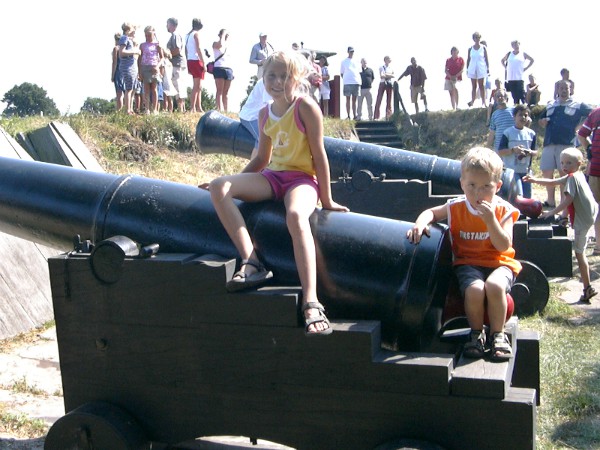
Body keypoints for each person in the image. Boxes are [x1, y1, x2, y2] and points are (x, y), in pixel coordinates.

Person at [208, 51, 349, 336]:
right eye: (271, 75)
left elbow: (319, 156)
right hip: (273, 177)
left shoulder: (305, 108)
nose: (277, 81)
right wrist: (231, 181)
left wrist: (327, 199)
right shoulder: (264, 114)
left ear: (295, 79)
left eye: (284, 76)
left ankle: (311, 300)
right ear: (263, 78)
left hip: (301, 180)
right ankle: (251, 260)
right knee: (218, 186)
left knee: (296, 216)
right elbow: (262, 158)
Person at [407, 147, 521, 361]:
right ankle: (476, 334)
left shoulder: (503, 211)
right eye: (472, 186)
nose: (478, 193)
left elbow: (503, 245)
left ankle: (498, 335)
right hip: (468, 264)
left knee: (495, 286)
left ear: (498, 186)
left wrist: (491, 222)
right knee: (475, 289)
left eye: (486, 186)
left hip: (500, 263)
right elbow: (431, 212)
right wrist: (421, 223)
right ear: (462, 184)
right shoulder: (456, 206)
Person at [524, 148, 598, 303]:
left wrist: (552, 213)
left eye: (569, 163)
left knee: (579, 253)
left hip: (582, 221)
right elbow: (553, 182)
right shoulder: (576, 175)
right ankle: (587, 286)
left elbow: (568, 200)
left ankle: (587, 287)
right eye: (562, 162)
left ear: (579, 163)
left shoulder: (572, 178)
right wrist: (534, 180)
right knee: (580, 251)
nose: (565, 165)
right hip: (590, 216)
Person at [538, 80, 593, 207]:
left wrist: (581, 125)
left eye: (566, 88)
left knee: (564, 174)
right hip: (549, 143)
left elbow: (592, 114)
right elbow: (541, 119)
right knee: (547, 172)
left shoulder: (578, 104)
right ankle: (550, 200)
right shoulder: (550, 104)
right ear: (557, 90)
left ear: (570, 90)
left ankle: (564, 204)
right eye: (561, 88)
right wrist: (542, 122)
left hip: (566, 144)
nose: (563, 90)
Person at [498, 104, 538, 198]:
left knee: (527, 197)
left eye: (526, 115)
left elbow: (535, 152)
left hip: (526, 171)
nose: (523, 117)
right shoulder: (507, 132)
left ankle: (525, 213)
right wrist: (513, 150)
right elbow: (501, 151)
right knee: (518, 195)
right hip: (512, 170)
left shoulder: (531, 133)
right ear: (514, 117)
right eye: (520, 115)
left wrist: (528, 152)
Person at [577, 107, 600, 255]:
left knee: (597, 208)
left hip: (596, 167)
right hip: (596, 168)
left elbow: (582, 135)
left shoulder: (596, 112)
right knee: (596, 208)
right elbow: (582, 134)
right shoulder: (596, 112)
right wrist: (590, 149)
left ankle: (599, 245)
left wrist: (590, 150)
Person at [239, 78, 273, 157]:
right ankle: (255, 168)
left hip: (263, 117)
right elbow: (270, 105)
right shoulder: (268, 79)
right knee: (262, 140)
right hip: (251, 116)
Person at [138, 26, 164, 115]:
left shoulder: (157, 45)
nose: (148, 37)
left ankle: (155, 109)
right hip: (145, 67)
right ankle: (147, 109)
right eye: (146, 35)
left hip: (154, 68)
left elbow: (162, 58)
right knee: (146, 89)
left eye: (149, 35)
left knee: (154, 88)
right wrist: (139, 71)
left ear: (154, 34)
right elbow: (139, 58)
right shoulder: (142, 45)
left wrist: (158, 66)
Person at [500, 40, 534, 105]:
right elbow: (502, 60)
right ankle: (517, 109)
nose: (515, 46)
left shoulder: (523, 54)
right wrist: (506, 68)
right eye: (514, 45)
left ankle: (525, 107)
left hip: (519, 77)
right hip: (511, 78)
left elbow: (532, 60)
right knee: (515, 96)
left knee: (521, 94)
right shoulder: (509, 54)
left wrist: (525, 68)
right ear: (512, 46)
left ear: (519, 44)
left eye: (516, 44)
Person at [118, 22, 140, 115]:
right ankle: (127, 110)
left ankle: (130, 109)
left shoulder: (129, 39)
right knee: (129, 88)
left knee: (134, 88)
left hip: (132, 65)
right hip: (127, 66)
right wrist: (134, 51)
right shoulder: (124, 38)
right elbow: (121, 52)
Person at [166, 17, 187, 113]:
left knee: (178, 85)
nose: (166, 26)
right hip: (178, 63)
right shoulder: (175, 35)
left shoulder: (175, 35)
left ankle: (181, 109)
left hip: (176, 63)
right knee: (180, 86)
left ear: (172, 25)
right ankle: (182, 109)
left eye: (168, 24)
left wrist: (168, 55)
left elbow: (177, 49)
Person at [185, 18, 206, 113]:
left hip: (190, 60)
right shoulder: (196, 34)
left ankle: (199, 106)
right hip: (196, 60)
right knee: (196, 85)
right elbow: (199, 48)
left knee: (199, 86)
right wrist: (204, 62)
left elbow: (186, 50)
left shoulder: (188, 35)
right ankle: (193, 107)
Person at [212, 29, 234, 112]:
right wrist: (223, 34)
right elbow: (220, 45)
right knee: (219, 91)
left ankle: (226, 110)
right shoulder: (215, 43)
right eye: (225, 35)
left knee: (226, 92)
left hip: (228, 69)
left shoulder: (228, 46)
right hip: (219, 67)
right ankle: (219, 109)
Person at [466, 32, 489, 108]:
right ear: (473, 39)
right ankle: (472, 102)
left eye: (478, 37)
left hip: (481, 68)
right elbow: (468, 59)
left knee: (481, 86)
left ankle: (483, 102)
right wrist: (467, 68)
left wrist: (488, 68)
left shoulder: (483, 48)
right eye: (475, 37)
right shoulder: (470, 48)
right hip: (472, 68)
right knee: (473, 86)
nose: (477, 39)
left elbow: (486, 58)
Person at [340, 46, 361, 120]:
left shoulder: (357, 61)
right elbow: (341, 73)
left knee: (354, 100)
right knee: (348, 99)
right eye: (350, 51)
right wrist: (346, 79)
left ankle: (355, 115)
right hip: (347, 82)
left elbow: (359, 72)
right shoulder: (344, 62)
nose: (352, 53)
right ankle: (348, 115)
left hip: (356, 81)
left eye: (353, 51)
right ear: (348, 52)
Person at [444, 46, 464, 111]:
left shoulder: (460, 59)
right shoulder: (448, 60)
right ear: (451, 53)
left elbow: (462, 69)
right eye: (453, 52)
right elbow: (446, 70)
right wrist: (450, 76)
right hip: (449, 78)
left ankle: (457, 105)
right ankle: (453, 107)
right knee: (451, 93)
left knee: (456, 90)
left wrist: (455, 76)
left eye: (455, 52)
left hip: (457, 78)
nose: (454, 53)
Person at [111, 32, 125, 111]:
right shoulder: (125, 48)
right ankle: (126, 110)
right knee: (126, 92)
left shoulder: (116, 48)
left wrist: (112, 75)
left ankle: (119, 110)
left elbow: (114, 62)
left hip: (118, 71)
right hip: (126, 71)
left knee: (119, 93)